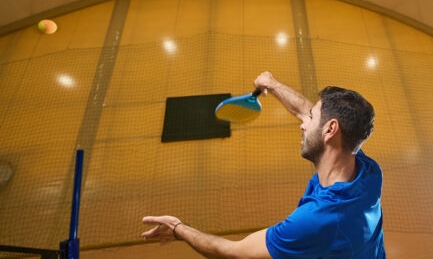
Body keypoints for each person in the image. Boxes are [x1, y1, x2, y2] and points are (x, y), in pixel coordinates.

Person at [141, 71, 385, 258]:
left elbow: (233, 252)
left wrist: (177, 228)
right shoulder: (368, 170)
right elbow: (303, 111)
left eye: (311, 118)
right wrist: (272, 83)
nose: (303, 122)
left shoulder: (317, 221)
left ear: (331, 129)